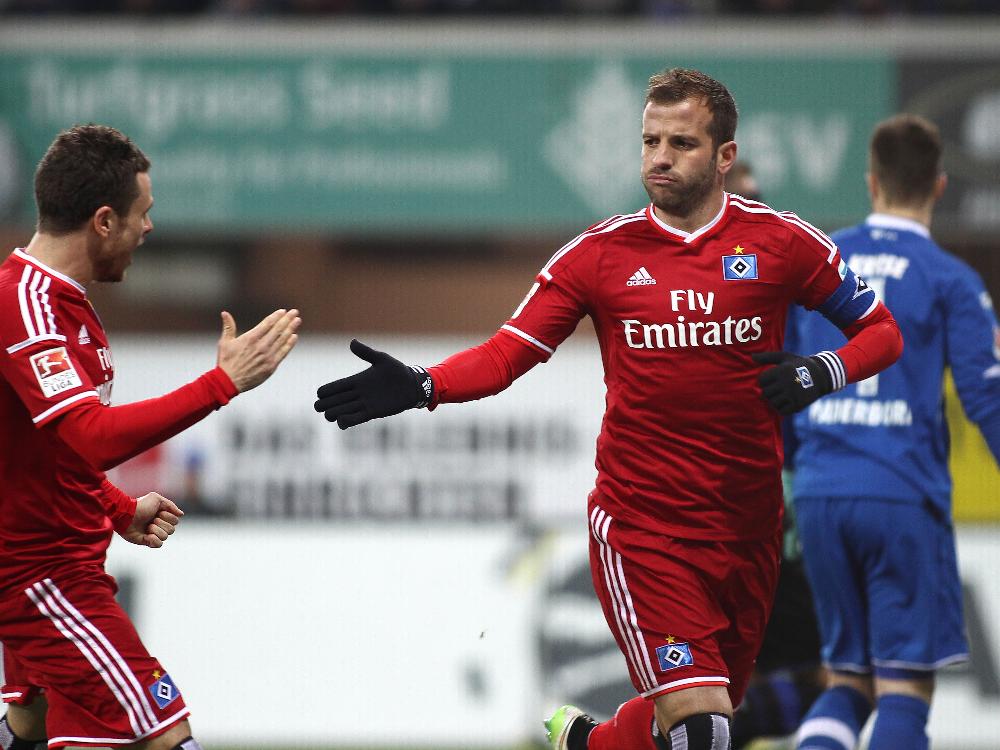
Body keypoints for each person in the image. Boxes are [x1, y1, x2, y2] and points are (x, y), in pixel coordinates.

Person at [313, 68, 903, 750]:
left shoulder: (782, 242)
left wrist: (821, 371)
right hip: (644, 529)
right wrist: (423, 384)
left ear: (725, 156)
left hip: (749, 532)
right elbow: (508, 354)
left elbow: (882, 332)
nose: (659, 156)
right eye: (650, 140)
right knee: (704, 726)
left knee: (693, 729)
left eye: (681, 142)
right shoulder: (598, 255)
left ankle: (588, 744)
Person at [0, 125, 300, 750]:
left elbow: (47, 450)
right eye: (145, 213)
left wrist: (114, 508)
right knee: (164, 732)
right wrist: (220, 384)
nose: (151, 228)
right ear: (103, 221)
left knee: (32, 723)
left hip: (57, 564)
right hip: (42, 576)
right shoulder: (24, 305)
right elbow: (89, 437)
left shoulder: (60, 301)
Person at [788, 114, 1000, 750]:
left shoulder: (818, 265)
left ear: (871, 182)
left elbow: (789, 384)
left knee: (846, 679)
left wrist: (799, 472)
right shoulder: (950, 279)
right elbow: (985, 395)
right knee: (905, 686)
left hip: (821, 493)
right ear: (937, 186)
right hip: (900, 493)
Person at [721, 162, 825, 749]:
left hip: (789, 493)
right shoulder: (680, 297)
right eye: (743, 198)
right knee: (727, 674)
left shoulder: (794, 284)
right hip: (726, 498)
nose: (756, 208)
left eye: (761, 197)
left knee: (822, 673)